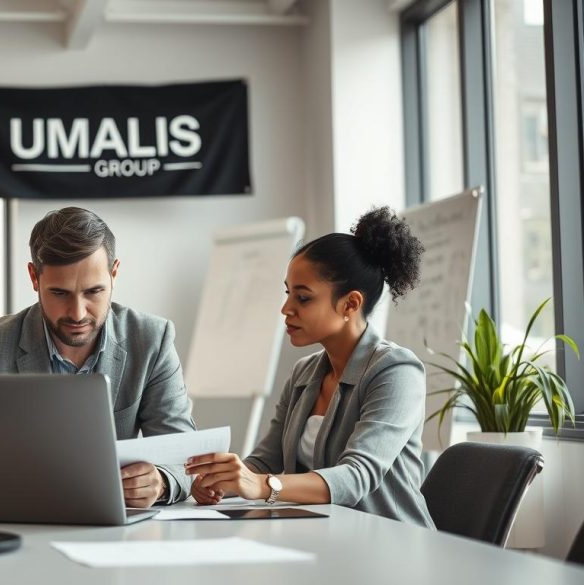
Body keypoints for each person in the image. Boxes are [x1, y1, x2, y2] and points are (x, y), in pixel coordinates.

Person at [185, 207, 435, 527]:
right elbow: (265, 461)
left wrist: (260, 485)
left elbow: (357, 476)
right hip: (324, 536)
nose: (285, 309)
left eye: (303, 298)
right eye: (288, 293)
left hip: (391, 546)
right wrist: (223, 481)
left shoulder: (397, 371)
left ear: (350, 304)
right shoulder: (304, 373)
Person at [0, 206, 196, 507]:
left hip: (115, 533)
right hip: (21, 520)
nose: (78, 313)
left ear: (114, 273)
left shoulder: (151, 340)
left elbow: (185, 458)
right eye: (60, 293)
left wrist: (159, 481)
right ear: (34, 277)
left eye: (93, 291)